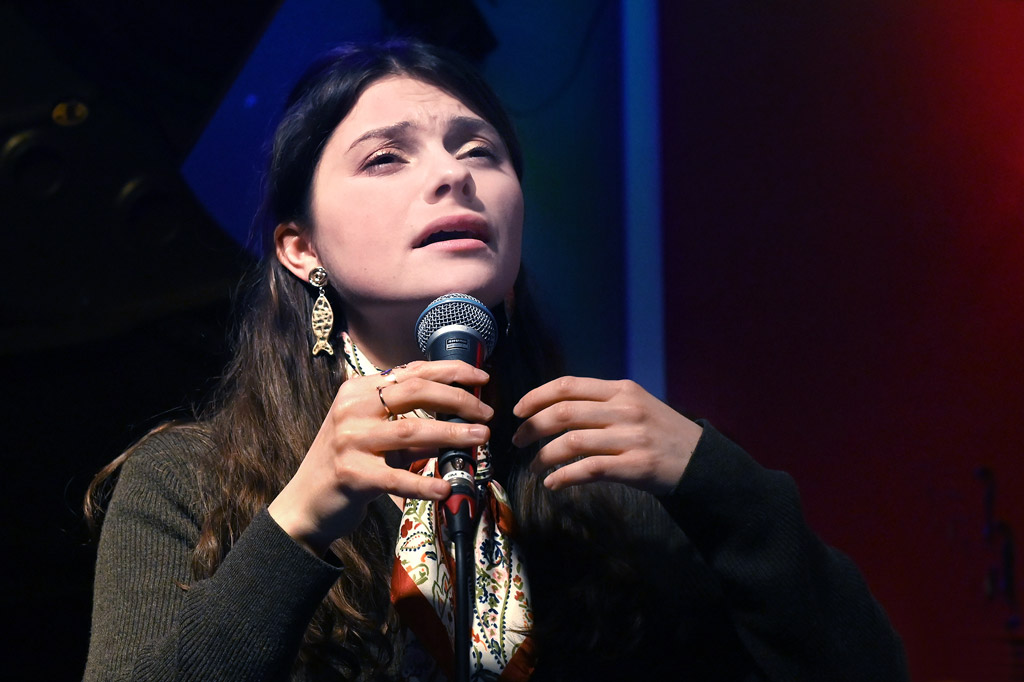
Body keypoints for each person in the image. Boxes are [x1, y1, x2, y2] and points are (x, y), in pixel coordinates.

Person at [84, 40, 908, 681]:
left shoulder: (614, 476)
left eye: (479, 150)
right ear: (302, 250)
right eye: (386, 157)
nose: (454, 175)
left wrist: (719, 483)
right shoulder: (191, 481)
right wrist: (295, 523)